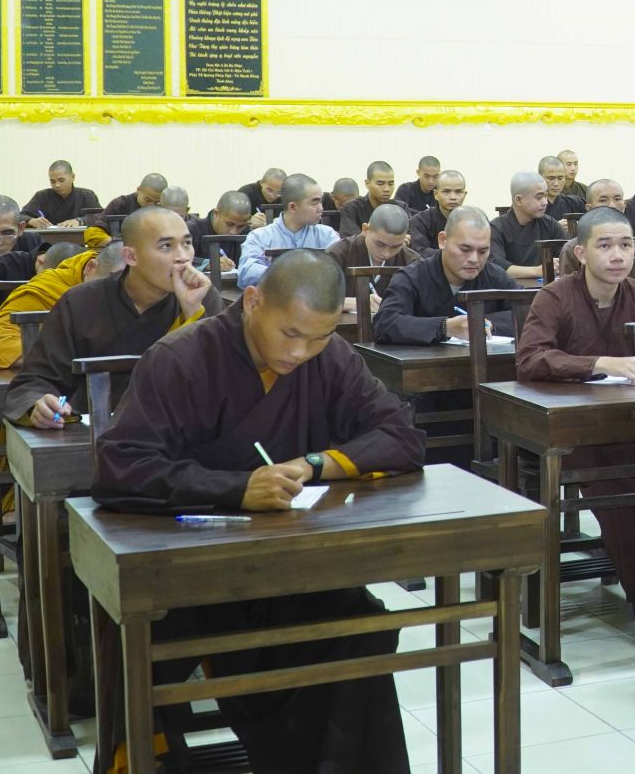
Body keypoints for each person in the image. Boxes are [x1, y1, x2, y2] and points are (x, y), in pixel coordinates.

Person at [89, 250, 425, 774]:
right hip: (194, 572)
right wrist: (235, 488)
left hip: (296, 566)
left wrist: (316, 463)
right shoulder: (180, 358)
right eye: (290, 333)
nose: (300, 352)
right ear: (252, 301)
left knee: (356, 629)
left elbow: (401, 436)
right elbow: (120, 468)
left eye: (318, 338)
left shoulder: (330, 358)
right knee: (151, 638)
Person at [517, 207, 635, 617]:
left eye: (626, 245)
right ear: (581, 253)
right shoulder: (555, 296)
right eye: (606, 246)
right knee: (621, 487)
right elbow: (530, 358)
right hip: (579, 433)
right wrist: (598, 363)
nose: (618, 256)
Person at [4, 208, 223, 427]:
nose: (183, 257)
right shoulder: (82, 302)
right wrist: (39, 404)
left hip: (184, 429)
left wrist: (193, 313)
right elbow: (37, 379)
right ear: (131, 256)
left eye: (187, 243)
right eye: (166, 246)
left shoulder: (202, 296)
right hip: (95, 432)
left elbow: (220, 379)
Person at [374, 206, 518, 344]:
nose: (474, 259)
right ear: (443, 240)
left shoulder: (496, 277)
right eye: (465, 249)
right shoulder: (411, 277)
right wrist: (445, 327)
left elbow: (526, 312)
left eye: (483, 251)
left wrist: (486, 323)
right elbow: (386, 324)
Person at [0, 240, 128, 369]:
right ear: (90, 267)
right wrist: (70, 353)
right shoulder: (48, 287)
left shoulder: (139, 293)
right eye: (110, 285)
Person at [236, 174, 342, 287]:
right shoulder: (260, 237)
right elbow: (246, 273)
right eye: (315, 202)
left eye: (321, 201)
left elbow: (338, 271)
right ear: (293, 207)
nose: (321, 208)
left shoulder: (327, 235)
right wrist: (286, 275)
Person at [325, 202, 420, 316]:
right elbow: (315, 300)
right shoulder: (339, 254)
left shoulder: (412, 261)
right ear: (365, 229)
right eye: (380, 244)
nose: (386, 253)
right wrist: (358, 302)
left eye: (396, 247)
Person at [489, 171, 564, 281]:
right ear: (518, 200)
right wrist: (538, 271)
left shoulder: (550, 224)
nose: (545, 202)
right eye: (539, 197)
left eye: (546, 195)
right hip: (509, 289)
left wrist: (558, 264)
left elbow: (568, 255)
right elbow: (496, 267)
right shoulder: (496, 228)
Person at [188, 190, 254, 271]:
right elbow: (177, 259)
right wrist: (207, 264)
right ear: (216, 214)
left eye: (241, 226)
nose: (234, 232)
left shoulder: (248, 234)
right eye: (229, 224)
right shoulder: (191, 230)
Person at [21, 160, 99, 228]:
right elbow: (20, 216)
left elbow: (100, 217)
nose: (57, 185)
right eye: (53, 181)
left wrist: (80, 221)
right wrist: (31, 221)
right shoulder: (41, 196)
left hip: (80, 239)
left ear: (73, 177)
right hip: (47, 239)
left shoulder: (87, 195)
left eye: (61, 180)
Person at [408, 169, 467, 256]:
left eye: (458, 192)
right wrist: (454, 255)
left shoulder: (473, 221)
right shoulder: (420, 221)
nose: (453, 197)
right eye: (446, 192)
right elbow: (420, 252)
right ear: (436, 194)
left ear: (464, 195)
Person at [339, 161, 405, 239]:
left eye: (391, 184)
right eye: (380, 184)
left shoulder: (401, 208)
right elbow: (349, 241)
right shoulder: (351, 208)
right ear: (367, 183)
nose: (387, 189)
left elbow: (410, 234)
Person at [539, 155, 586, 219]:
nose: (556, 184)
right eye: (551, 178)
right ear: (540, 177)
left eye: (560, 178)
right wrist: (556, 224)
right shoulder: (533, 205)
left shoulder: (575, 203)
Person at [103, 173, 167, 218]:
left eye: (157, 202)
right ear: (138, 190)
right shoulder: (119, 204)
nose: (151, 206)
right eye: (147, 200)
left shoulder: (163, 209)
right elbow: (99, 227)